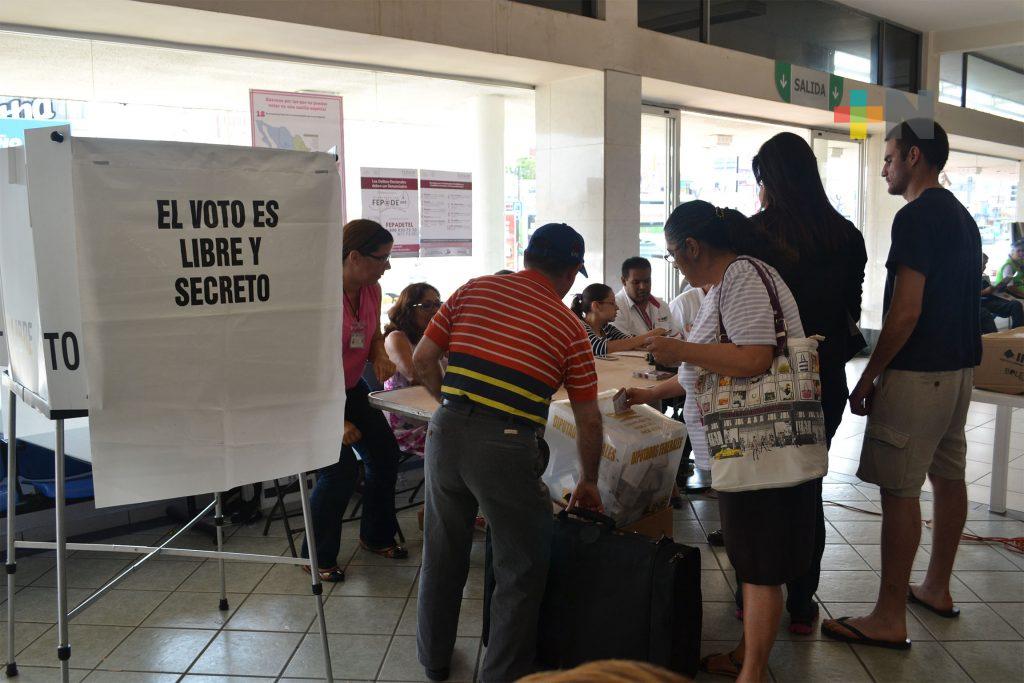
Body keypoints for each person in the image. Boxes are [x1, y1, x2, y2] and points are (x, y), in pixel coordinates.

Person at [624, 200, 814, 683]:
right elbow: (707, 371)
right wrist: (650, 392)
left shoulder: (743, 277)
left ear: (692, 246)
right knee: (751, 560)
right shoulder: (723, 285)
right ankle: (743, 656)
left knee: (760, 567)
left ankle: (750, 673)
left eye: (671, 255)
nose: (673, 265)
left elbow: (753, 357)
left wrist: (678, 348)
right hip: (743, 452)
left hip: (758, 449)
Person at [413, 222, 605, 682]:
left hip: (445, 431)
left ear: (526, 256)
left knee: (443, 551)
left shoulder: (472, 290)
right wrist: (589, 480)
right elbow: (589, 418)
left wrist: (455, 410)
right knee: (521, 566)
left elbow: (422, 360)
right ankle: (500, 674)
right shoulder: (569, 327)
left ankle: (434, 660)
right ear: (572, 273)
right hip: (507, 443)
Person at [822, 119, 981, 650]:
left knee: (900, 491)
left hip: (918, 377)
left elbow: (906, 311)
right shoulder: (961, 215)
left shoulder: (915, 218)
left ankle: (888, 616)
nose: (885, 167)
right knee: (948, 476)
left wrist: (869, 373)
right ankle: (937, 587)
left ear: (914, 156)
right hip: (959, 372)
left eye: (889, 157)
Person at [739, 130, 867, 635]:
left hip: (766, 380)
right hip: (823, 379)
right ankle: (801, 603)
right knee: (807, 485)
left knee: (760, 490)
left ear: (769, 180)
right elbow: (850, 310)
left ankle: (754, 597)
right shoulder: (847, 235)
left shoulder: (756, 234)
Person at [301, 219, 407, 583]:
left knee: (385, 456)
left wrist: (378, 353)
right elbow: (305, 362)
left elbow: (373, 333)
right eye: (382, 258)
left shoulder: (371, 288)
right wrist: (336, 421)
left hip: (348, 388)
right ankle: (315, 555)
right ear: (354, 256)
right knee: (339, 470)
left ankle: (375, 536)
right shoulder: (319, 297)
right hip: (314, 395)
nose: (387, 266)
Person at [382, 282, 447, 455]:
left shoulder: (436, 340)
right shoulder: (396, 337)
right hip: (408, 424)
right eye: (426, 305)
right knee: (465, 442)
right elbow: (415, 376)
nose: (435, 310)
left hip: (434, 414)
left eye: (437, 304)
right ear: (408, 309)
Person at [570, 283, 666, 356]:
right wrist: (651, 334)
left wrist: (652, 342)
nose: (617, 308)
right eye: (612, 303)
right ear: (596, 306)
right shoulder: (580, 327)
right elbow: (601, 348)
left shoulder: (608, 329)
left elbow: (631, 342)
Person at [613, 257, 684, 339]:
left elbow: (676, 336)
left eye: (646, 281)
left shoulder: (661, 306)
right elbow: (622, 344)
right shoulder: (615, 308)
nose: (642, 287)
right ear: (624, 281)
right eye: (636, 282)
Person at [980, 253, 1024, 333]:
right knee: (985, 313)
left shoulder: (983, 277)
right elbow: (969, 295)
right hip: (983, 302)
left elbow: (990, 291)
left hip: (993, 300)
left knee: (1016, 304)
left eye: (985, 264)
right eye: (983, 264)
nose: (985, 267)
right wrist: (986, 291)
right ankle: (995, 338)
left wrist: (996, 289)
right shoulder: (969, 278)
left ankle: (1018, 331)